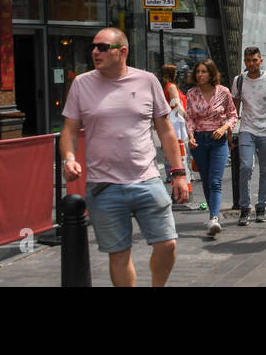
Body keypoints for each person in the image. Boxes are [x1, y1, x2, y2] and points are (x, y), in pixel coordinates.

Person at [60, 29, 189, 287]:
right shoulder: (81, 84)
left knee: (167, 245)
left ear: (123, 52)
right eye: (94, 47)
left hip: (147, 180)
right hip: (104, 186)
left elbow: (164, 130)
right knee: (119, 254)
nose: (95, 52)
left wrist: (179, 173)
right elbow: (69, 130)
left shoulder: (147, 81)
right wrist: (69, 158)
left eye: (103, 47)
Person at [231, 47, 266, 226]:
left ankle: (261, 206)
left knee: (265, 170)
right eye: (248, 60)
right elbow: (233, 107)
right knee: (245, 167)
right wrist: (230, 131)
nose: (251, 64)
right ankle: (244, 208)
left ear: (261, 60)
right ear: (244, 62)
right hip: (247, 129)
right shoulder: (239, 81)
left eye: (254, 60)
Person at [184, 58, 237, 237]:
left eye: (204, 72)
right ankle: (211, 216)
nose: (200, 75)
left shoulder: (223, 92)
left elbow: (233, 115)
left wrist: (223, 129)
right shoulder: (192, 93)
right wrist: (190, 136)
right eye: (198, 72)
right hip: (199, 141)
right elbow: (189, 118)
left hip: (218, 141)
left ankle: (214, 218)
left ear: (211, 73)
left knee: (215, 180)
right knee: (206, 180)